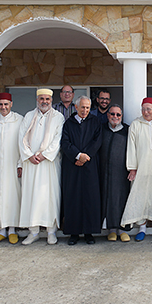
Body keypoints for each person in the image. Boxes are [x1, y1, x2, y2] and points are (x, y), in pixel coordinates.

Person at [19, 89, 65, 245]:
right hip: (31, 164)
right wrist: (29, 155)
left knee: (49, 197)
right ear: (37, 99)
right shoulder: (29, 116)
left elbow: (58, 139)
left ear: (51, 100)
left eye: (47, 99)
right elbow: (22, 137)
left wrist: (45, 155)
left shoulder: (58, 117)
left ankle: (51, 231)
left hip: (48, 164)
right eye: (41, 99)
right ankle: (33, 232)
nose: (44, 101)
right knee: (31, 197)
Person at [122, 97, 152, 241]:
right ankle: (142, 227)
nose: (146, 112)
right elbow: (131, 147)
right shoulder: (136, 124)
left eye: (149, 109)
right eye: (143, 109)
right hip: (141, 167)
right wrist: (132, 168)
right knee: (140, 196)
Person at [61, 95, 102, 245]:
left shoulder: (95, 122)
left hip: (90, 166)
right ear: (76, 107)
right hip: (72, 166)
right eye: (82, 107)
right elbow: (65, 142)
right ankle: (74, 233)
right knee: (73, 198)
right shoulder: (68, 124)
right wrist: (78, 156)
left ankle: (89, 232)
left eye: (87, 107)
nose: (85, 110)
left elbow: (97, 141)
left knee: (90, 198)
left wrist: (86, 156)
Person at [0, 93, 23, 245]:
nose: (3, 107)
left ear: (11, 104)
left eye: (6, 104)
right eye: (0, 104)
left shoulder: (19, 120)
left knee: (12, 196)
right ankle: (1, 231)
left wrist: (20, 163)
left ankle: (12, 230)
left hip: (12, 163)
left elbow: (22, 143)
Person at [99, 104, 132, 242]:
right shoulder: (101, 129)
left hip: (122, 172)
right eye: (112, 114)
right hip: (104, 171)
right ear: (108, 115)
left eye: (118, 115)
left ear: (121, 116)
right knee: (107, 199)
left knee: (121, 199)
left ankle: (123, 229)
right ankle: (112, 230)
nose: (115, 117)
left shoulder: (127, 130)